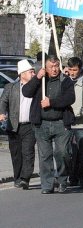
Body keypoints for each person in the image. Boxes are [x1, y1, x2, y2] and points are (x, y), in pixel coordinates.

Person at [22, 55, 75, 194]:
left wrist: (51, 102)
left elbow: (70, 98)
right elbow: (26, 92)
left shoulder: (65, 80)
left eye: (56, 65)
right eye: (51, 66)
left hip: (61, 123)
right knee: (45, 155)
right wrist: (37, 77)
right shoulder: (41, 80)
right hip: (42, 124)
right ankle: (47, 184)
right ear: (45, 67)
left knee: (62, 153)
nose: (54, 69)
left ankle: (63, 180)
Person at [0, 60, 36, 190]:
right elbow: (3, 101)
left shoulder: (36, 87)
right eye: (30, 72)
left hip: (30, 126)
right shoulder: (11, 87)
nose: (33, 74)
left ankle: (25, 178)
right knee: (16, 154)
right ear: (22, 74)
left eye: (33, 71)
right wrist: (1, 113)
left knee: (28, 152)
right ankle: (17, 178)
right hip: (14, 126)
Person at [66, 57, 83, 189]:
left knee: (82, 151)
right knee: (68, 152)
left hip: (81, 123)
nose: (72, 72)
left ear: (80, 69)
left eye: (75, 70)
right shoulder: (64, 80)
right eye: (70, 69)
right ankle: (72, 177)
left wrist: (75, 114)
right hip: (67, 123)